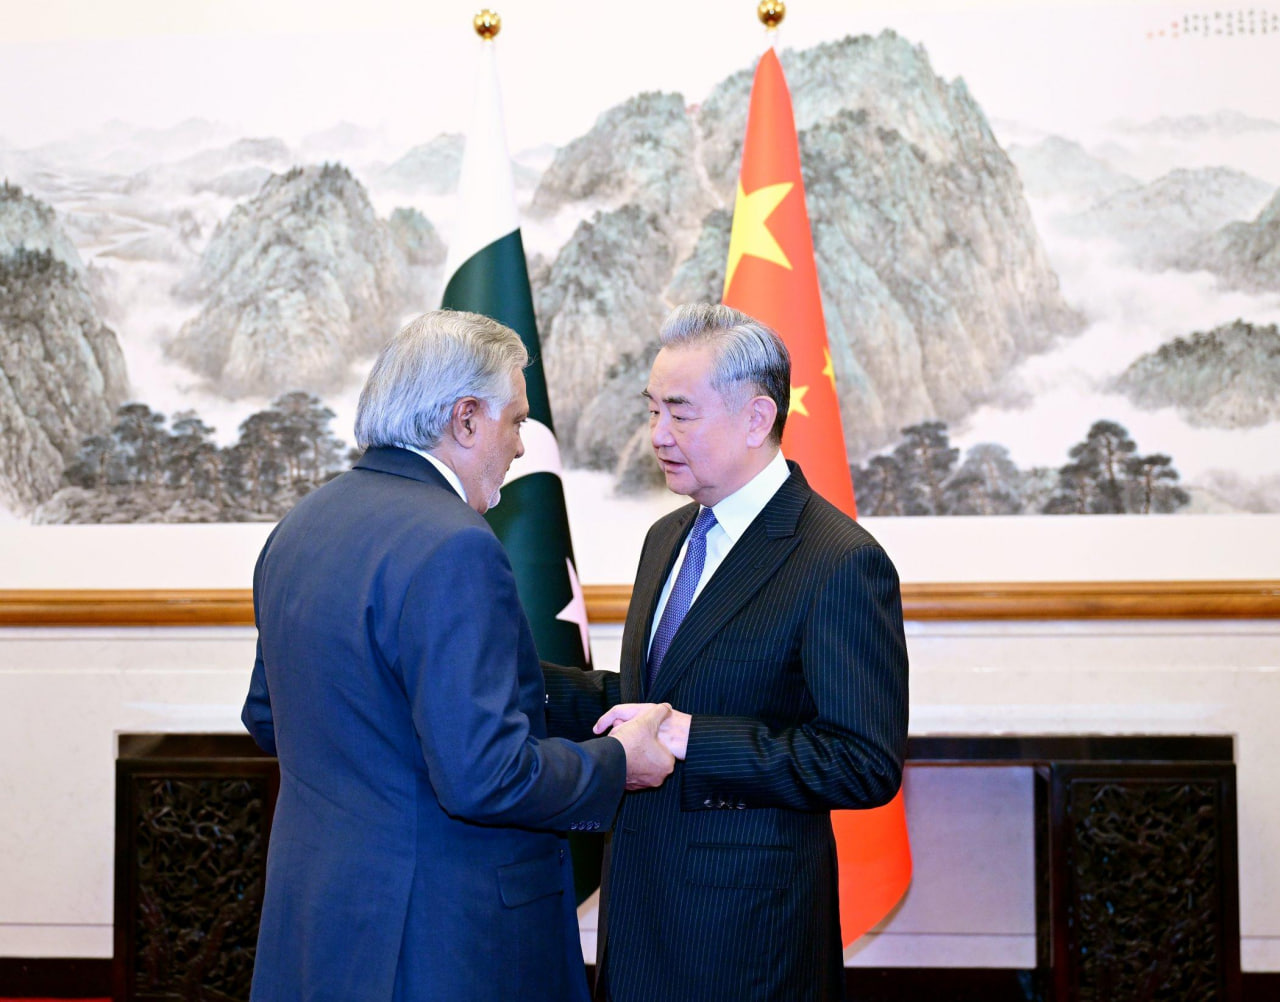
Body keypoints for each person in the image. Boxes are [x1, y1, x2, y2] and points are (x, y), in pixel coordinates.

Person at [241, 309, 674, 1002]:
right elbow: (485, 777)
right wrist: (620, 761)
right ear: (466, 419)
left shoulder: (300, 526)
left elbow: (269, 717)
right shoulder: (454, 545)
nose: (522, 447)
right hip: (437, 939)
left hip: (320, 921)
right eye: (516, 422)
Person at [543, 303, 909, 1002]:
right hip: (639, 920)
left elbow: (863, 763)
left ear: (756, 417)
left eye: (680, 413)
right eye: (652, 410)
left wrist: (692, 738)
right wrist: (519, 684)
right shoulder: (668, 538)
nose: (657, 434)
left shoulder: (838, 559)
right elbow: (651, 702)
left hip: (746, 942)